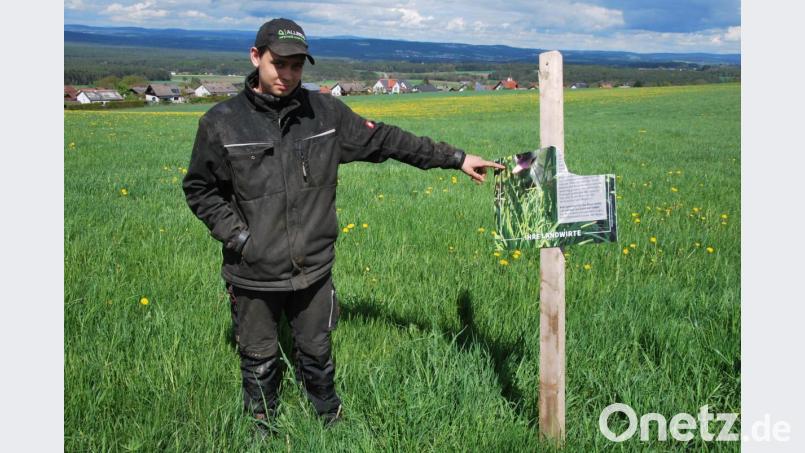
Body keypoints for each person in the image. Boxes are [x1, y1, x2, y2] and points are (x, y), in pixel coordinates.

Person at [182, 18, 503, 431]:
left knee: (316, 349)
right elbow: (199, 189)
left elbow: (387, 140)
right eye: (279, 63)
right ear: (255, 56)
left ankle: (328, 417)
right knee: (259, 355)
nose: (288, 74)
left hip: (313, 266)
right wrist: (241, 237)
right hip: (254, 272)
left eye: (297, 65)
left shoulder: (325, 114)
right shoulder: (221, 123)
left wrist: (456, 158)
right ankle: (261, 424)